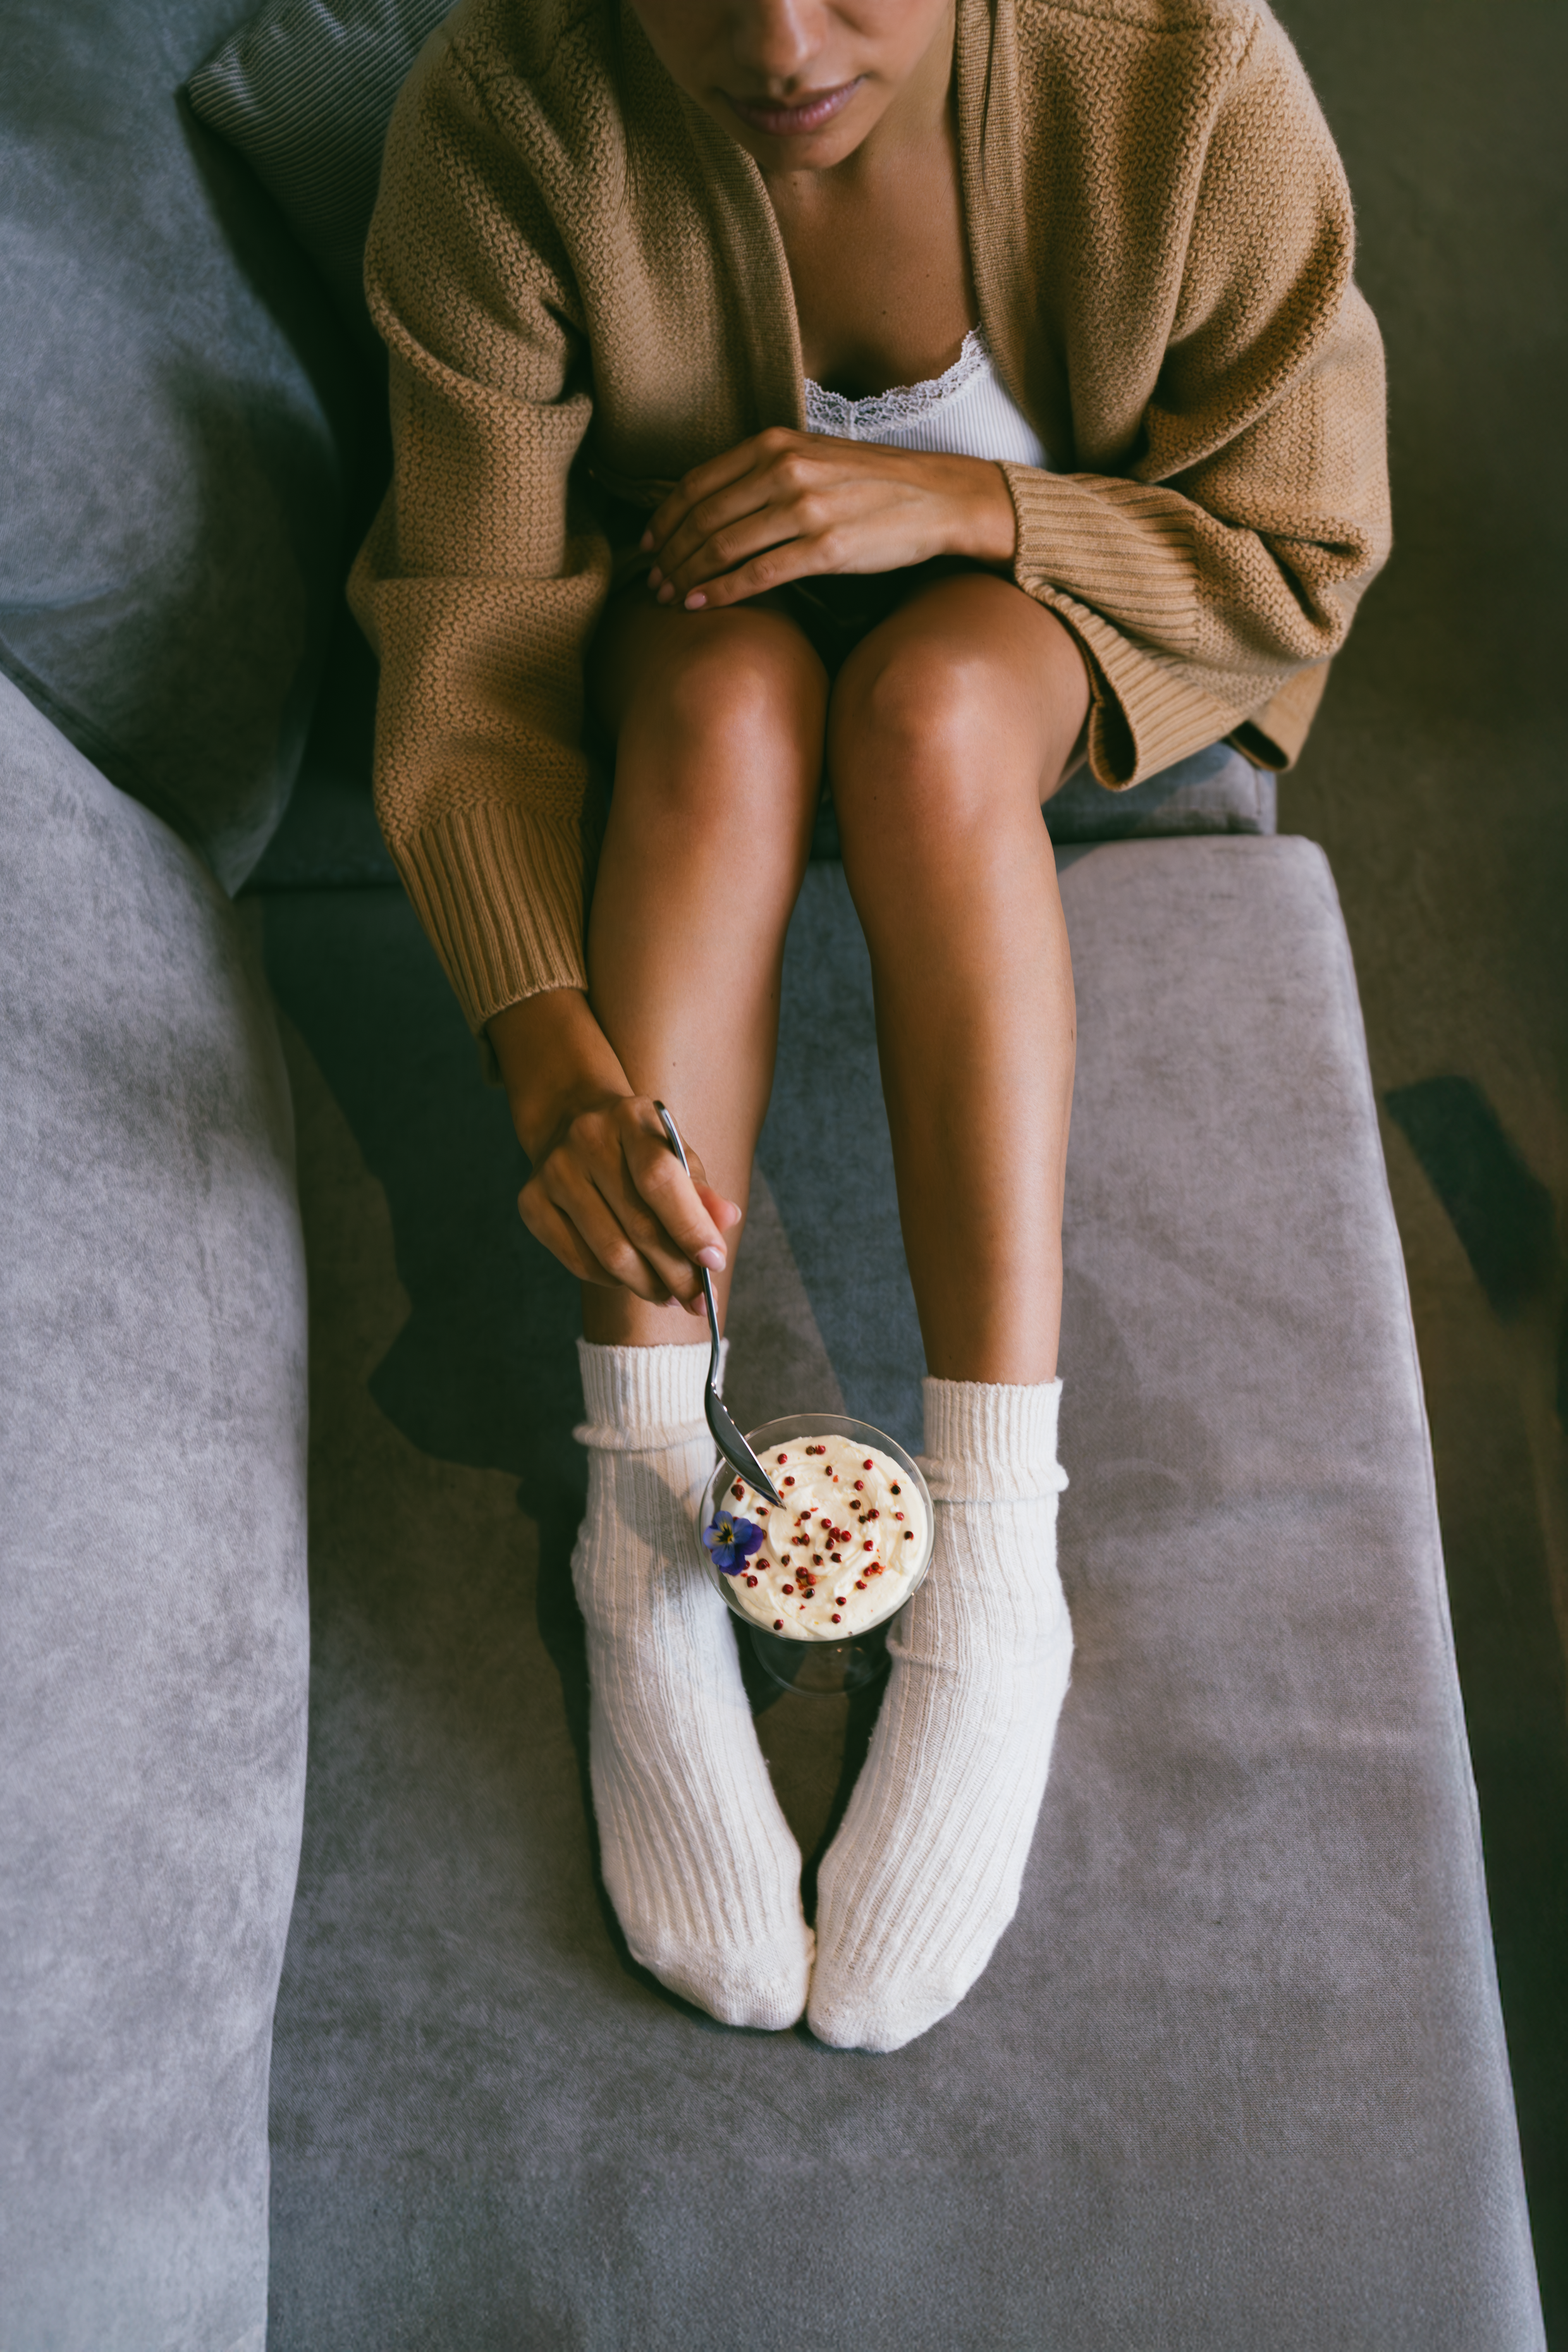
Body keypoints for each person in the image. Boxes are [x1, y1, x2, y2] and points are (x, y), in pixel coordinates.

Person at [351, 0, 1390, 2052]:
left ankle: (997, 1561)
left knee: (922, 723)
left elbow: (1302, 541)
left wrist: (965, 513)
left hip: (1032, 610)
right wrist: (544, 1046)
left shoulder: (1180, 74)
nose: (776, 41)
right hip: (689, 622)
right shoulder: (508, 113)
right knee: (736, 716)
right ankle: (648, 1520)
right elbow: (469, 636)